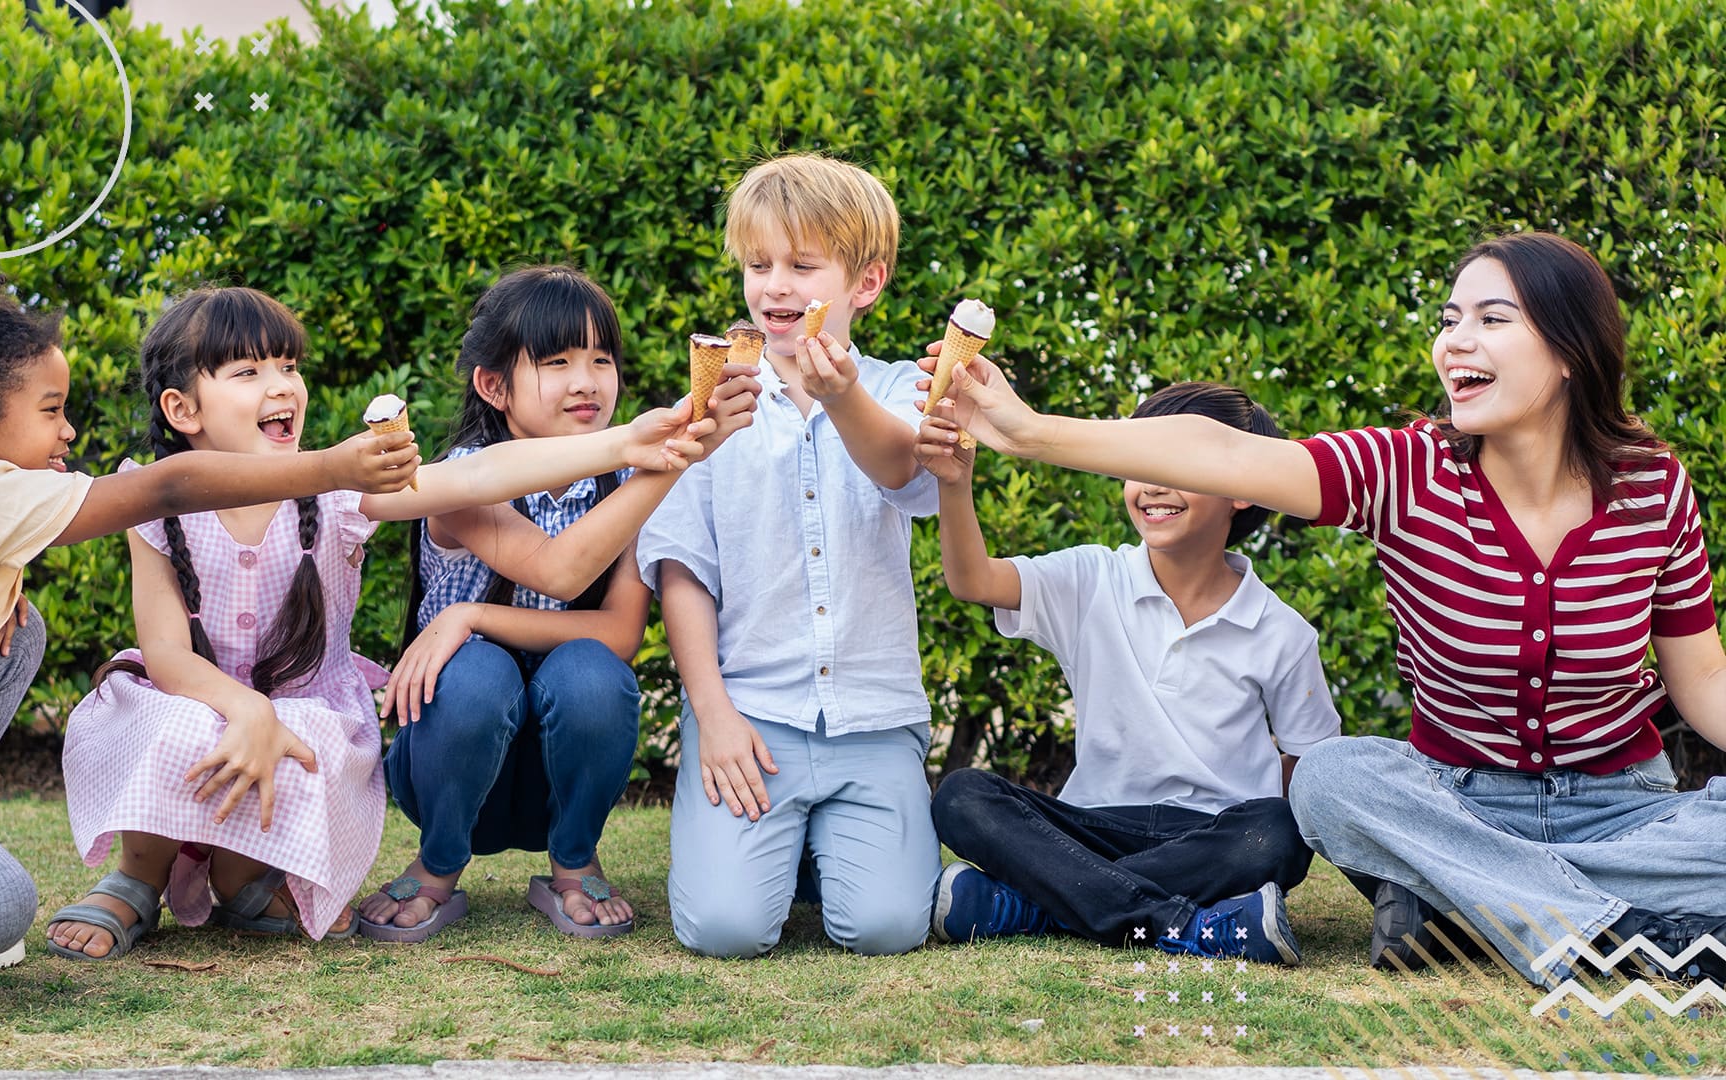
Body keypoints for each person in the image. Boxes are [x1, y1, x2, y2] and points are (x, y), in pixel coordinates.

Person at [922, 231, 1726, 987]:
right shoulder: (1405, 470)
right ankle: (1614, 927)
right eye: (1449, 321)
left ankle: (1472, 901)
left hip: (1623, 809)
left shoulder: (1653, 487)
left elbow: (1701, 679)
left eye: (1491, 319)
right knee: (1334, 779)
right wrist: (1025, 433)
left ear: (1570, 353)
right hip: (1452, 804)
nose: (1455, 341)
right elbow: (1228, 454)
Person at [45, 285, 715, 960]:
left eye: (288, 366)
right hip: (203, 698)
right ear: (181, 408)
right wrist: (245, 708)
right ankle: (138, 876)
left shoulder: (340, 494)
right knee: (175, 715)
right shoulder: (158, 502)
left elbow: (484, 472)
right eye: (249, 372)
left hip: (304, 712)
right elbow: (164, 651)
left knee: (303, 732)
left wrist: (627, 444)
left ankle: (242, 871)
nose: (282, 387)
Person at [0, 258, 419, 969]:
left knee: (14, 636)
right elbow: (170, 489)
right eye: (50, 411)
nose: (68, 432)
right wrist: (330, 468)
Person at [361, 266, 758, 942]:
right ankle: (435, 866)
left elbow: (621, 633)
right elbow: (561, 571)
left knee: (593, 674)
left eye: (602, 359)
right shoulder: (460, 478)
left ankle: (573, 861)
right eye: (557, 362)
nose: (587, 381)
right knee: (478, 674)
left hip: (558, 773)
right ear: (494, 385)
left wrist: (471, 615)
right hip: (448, 762)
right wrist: (669, 464)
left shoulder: (628, 480)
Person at [920, 381, 1339, 965]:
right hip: (1087, 824)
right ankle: (1181, 923)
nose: (1153, 483)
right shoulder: (1092, 578)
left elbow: (1306, 765)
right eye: (1139, 461)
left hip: (1211, 837)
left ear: (1245, 486)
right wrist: (954, 484)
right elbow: (972, 581)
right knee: (963, 795)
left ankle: (1040, 905)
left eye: (1175, 462)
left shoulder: (1283, 632)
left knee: (1279, 831)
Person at [638, 153, 941, 958]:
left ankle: (820, 841)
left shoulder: (903, 391)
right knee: (724, 931)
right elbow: (682, 571)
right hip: (753, 717)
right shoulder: (709, 409)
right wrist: (713, 715)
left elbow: (908, 476)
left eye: (802, 266)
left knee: (886, 929)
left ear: (864, 284)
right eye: (757, 264)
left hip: (874, 717)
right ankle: (784, 838)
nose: (774, 287)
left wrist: (842, 398)